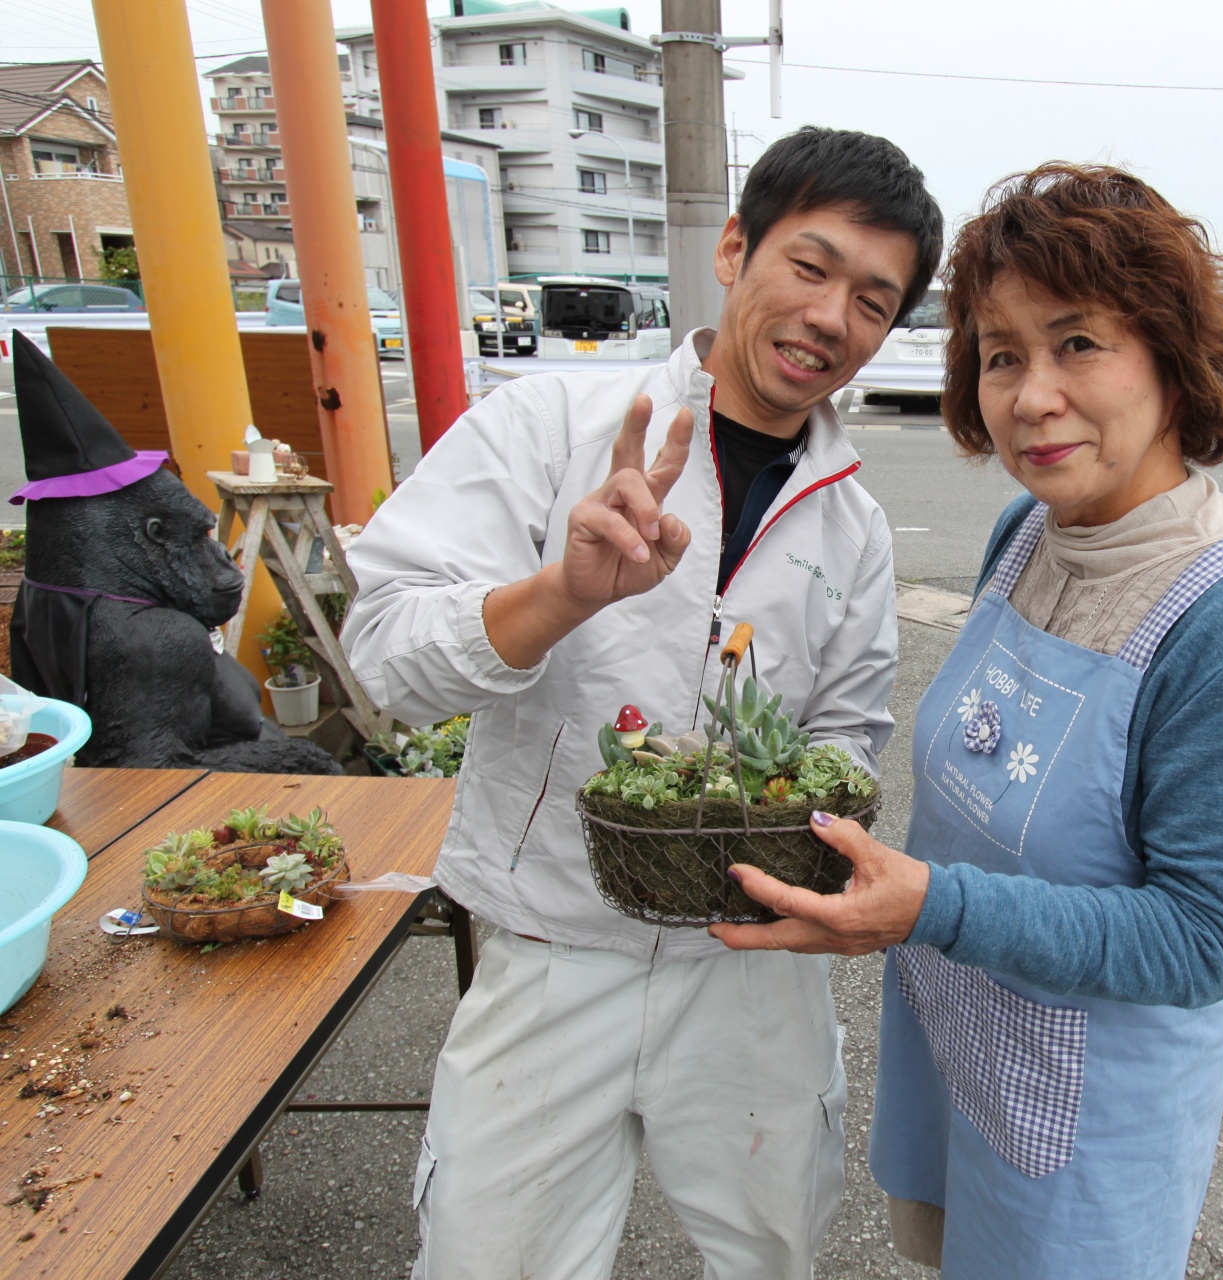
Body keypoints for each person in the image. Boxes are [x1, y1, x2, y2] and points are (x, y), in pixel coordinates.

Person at [712, 164, 1223, 1278]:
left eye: (1078, 343)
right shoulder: (1028, 531)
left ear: (1169, 353)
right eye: (1002, 354)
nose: (1032, 394)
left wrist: (931, 906)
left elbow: (1203, 940)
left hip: (1093, 1124)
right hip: (960, 1051)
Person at [342, 127, 942, 1280]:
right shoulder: (546, 426)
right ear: (732, 248)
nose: (831, 317)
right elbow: (385, 655)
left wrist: (811, 837)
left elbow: (846, 734)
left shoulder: (852, 526)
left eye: (873, 299)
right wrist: (559, 595)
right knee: (489, 1259)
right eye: (809, 267)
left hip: (755, 960)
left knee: (773, 1248)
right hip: (552, 942)